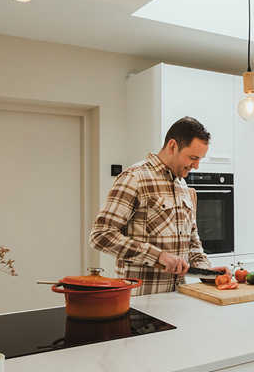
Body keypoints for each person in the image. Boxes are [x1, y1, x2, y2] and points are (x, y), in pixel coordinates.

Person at [89, 116, 230, 295]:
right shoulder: (135, 178)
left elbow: (192, 241)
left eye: (200, 159)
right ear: (173, 146)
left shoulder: (182, 185)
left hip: (178, 298)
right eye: (193, 158)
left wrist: (207, 272)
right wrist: (158, 256)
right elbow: (101, 235)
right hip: (140, 302)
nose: (196, 166)